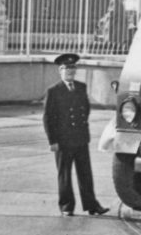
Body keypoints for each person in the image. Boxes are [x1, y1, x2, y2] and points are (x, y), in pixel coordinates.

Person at [44, 53, 110, 217]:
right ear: (60, 71)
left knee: (85, 174)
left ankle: (92, 205)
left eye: (73, 68)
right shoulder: (54, 91)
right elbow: (48, 118)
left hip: (80, 138)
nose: (70, 72)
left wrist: (81, 130)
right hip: (63, 140)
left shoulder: (81, 87)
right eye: (66, 69)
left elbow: (85, 110)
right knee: (65, 175)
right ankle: (66, 207)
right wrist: (53, 141)